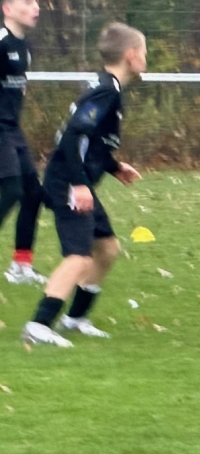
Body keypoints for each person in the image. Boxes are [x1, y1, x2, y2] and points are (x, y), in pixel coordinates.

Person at [22, 23, 146, 346]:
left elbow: (93, 141)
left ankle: (75, 318)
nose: (146, 59)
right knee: (79, 256)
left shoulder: (109, 87)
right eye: (144, 52)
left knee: (107, 248)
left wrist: (113, 166)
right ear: (131, 55)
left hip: (76, 179)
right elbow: (73, 135)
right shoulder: (106, 91)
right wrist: (78, 184)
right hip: (68, 181)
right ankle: (38, 324)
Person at [0, 0, 45, 285]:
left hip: (12, 129)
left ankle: (21, 265)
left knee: (33, 193)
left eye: (36, 1)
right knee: (13, 189)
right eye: (27, 2)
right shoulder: (2, 42)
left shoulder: (24, 47)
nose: (36, 7)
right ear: (7, 9)